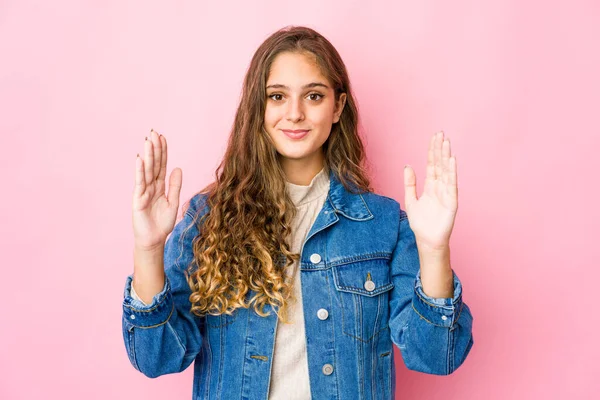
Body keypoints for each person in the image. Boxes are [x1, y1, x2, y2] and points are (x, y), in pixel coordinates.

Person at [122, 25, 474, 400]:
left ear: (337, 107)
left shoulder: (384, 225)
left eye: (314, 96)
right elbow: (155, 358)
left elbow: (438, 357)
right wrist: (147, 249)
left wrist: (435, 250)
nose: (294, 113)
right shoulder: (207, 218)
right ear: (259, 106)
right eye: (277, 96)